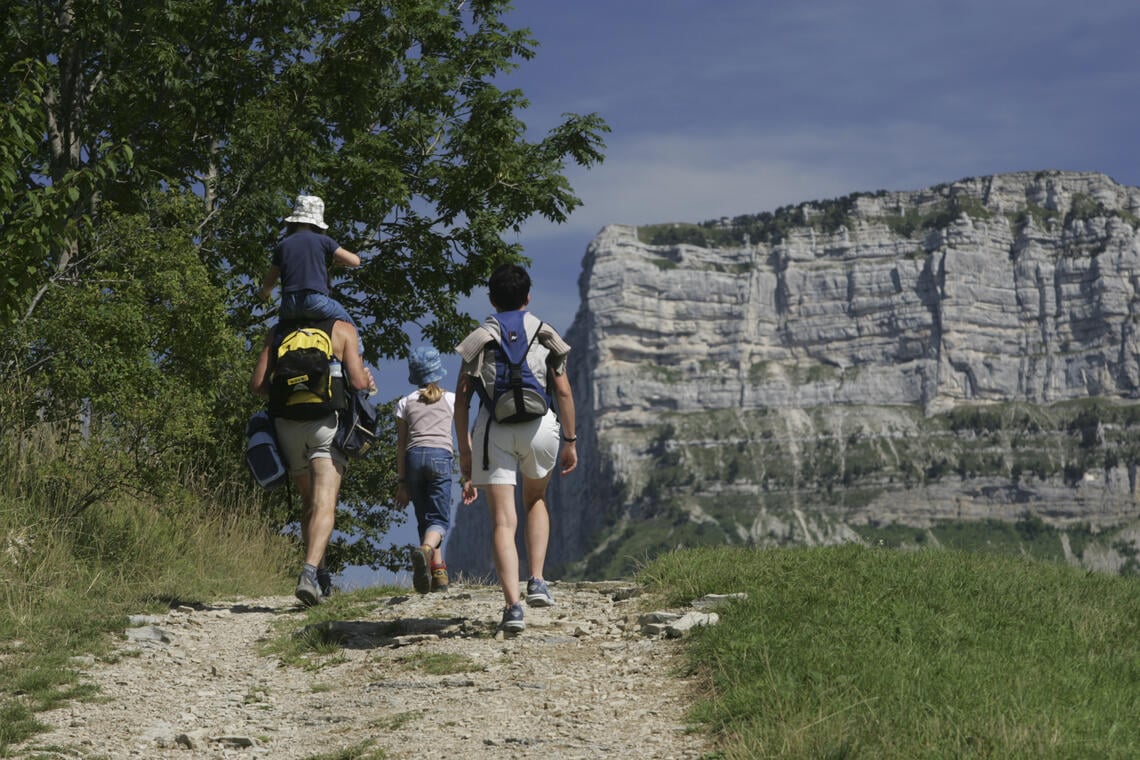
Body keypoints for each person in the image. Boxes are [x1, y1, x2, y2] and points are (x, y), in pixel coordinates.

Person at [454, 263, 578, 634]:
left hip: (495, 430)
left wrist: (466, 451)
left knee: (503, 521)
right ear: (528, 297)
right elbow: (564, 390)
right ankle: (538, 580)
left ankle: (512, 606)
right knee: (536, 500)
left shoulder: (478, 339)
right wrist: (570, 441)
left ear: (491, 298)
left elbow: (461, 402)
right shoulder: (545, 333)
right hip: (540, 428)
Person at [249, 315, 375, 606]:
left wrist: (285, 392)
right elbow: (357, 382)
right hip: (325, 424)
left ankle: (321, 577)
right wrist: (363, 382)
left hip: (287, 425)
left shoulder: (278, 332)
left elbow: (257, 384)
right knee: (325, 502)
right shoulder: (341, 329)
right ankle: (308, 574)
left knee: (309, 503)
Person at [394, 346, 473, 594]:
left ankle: (438, 574)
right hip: (441, 458)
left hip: (413, 459)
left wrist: (402, 482)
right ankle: (427, 553)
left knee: (424, 518)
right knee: (438, 520)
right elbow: (464, 439)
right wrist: (468, 477)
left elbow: (400, 446)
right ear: (438, 372)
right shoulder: (450, 400)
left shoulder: (404, 403)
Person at [258, 194, 362, 336]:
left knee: (275, 337)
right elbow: (355, 261)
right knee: (351, 330)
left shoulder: (282, 246)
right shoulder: (323, 240)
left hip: (289, 305)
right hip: (316, 301)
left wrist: (264, 294)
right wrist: (340, 260)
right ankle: (356, 356)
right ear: (317, 222)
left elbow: (269, 281)